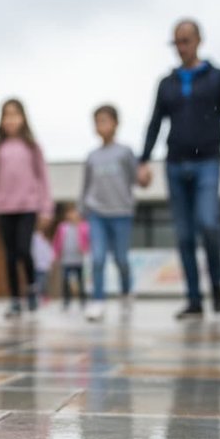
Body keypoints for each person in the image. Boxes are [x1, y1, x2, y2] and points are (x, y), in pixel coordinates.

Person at [140, 19, 220, 320]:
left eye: (186, 40)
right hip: (175, 162)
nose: (181, 47)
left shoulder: (219, 78)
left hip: (208, 161)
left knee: (208, 223)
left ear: (199, 40)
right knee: (184, 235)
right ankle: (194, 299)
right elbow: (155, 122)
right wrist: (143, 160)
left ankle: (217, 283)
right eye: (176, 42)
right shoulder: (167, 83)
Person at [0, 98, 54, 318]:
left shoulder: (32, 147)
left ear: (23, 118)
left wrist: (46, 209)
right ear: (1, 121)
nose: (11, 120)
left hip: (28, 207)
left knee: (24, 249)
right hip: (4, 209)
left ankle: (31, 287)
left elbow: (43, 178)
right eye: (7, 115)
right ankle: (14, 299)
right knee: (10, 256)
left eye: (15, 115)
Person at [83, 105, 147, 322]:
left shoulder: (125, 152)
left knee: (121, 259)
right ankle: (98, 300)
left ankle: (126, 292)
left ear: (116, 123)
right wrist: (82, 208)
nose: (101, 125)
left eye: (105, 120)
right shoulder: (91, 156)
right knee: (98, 258)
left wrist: (145, 178)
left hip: (121, 212)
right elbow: (86, 186)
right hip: (97, 214)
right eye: (97, 121)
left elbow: (135, 178)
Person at [52, 203, 89, 312]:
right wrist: (55, 255)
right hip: (66, 260)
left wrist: (86, 249)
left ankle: (83, 301)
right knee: (65, 282)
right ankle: (66, 302)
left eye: (74, 212)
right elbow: (57, 242)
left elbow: (89, 240)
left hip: (79, 260)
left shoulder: (84, 226)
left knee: (81, 282)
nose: (72, 215)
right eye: (70, 212)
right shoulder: (62, 227)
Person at [31, 229, 55, 307]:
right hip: (36, 266)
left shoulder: (46, 243)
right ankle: (36, 298)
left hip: (44, 267)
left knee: (43, 283)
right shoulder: (34, 243)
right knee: (36, 284)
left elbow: (51, 255)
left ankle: (44, 297)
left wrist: (50, 265)